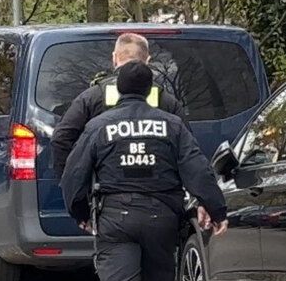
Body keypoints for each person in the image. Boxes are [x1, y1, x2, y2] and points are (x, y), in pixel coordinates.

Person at [61, 61, 228, 281]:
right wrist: (216, 207)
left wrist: (79, 212)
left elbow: (73, 174)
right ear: (150, 90)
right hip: (161, 217)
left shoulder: (99, 125)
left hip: (115, 217)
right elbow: (196, 169)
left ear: (119, 89)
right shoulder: (173, 125)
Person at [50, 32, 186, 179]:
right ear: (147, 60)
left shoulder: (92, 97)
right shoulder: (166, 99)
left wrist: (74, 183)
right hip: (159, 189)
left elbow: (61, 138)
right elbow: (186, 148)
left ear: (114, 58)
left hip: (107, 190)